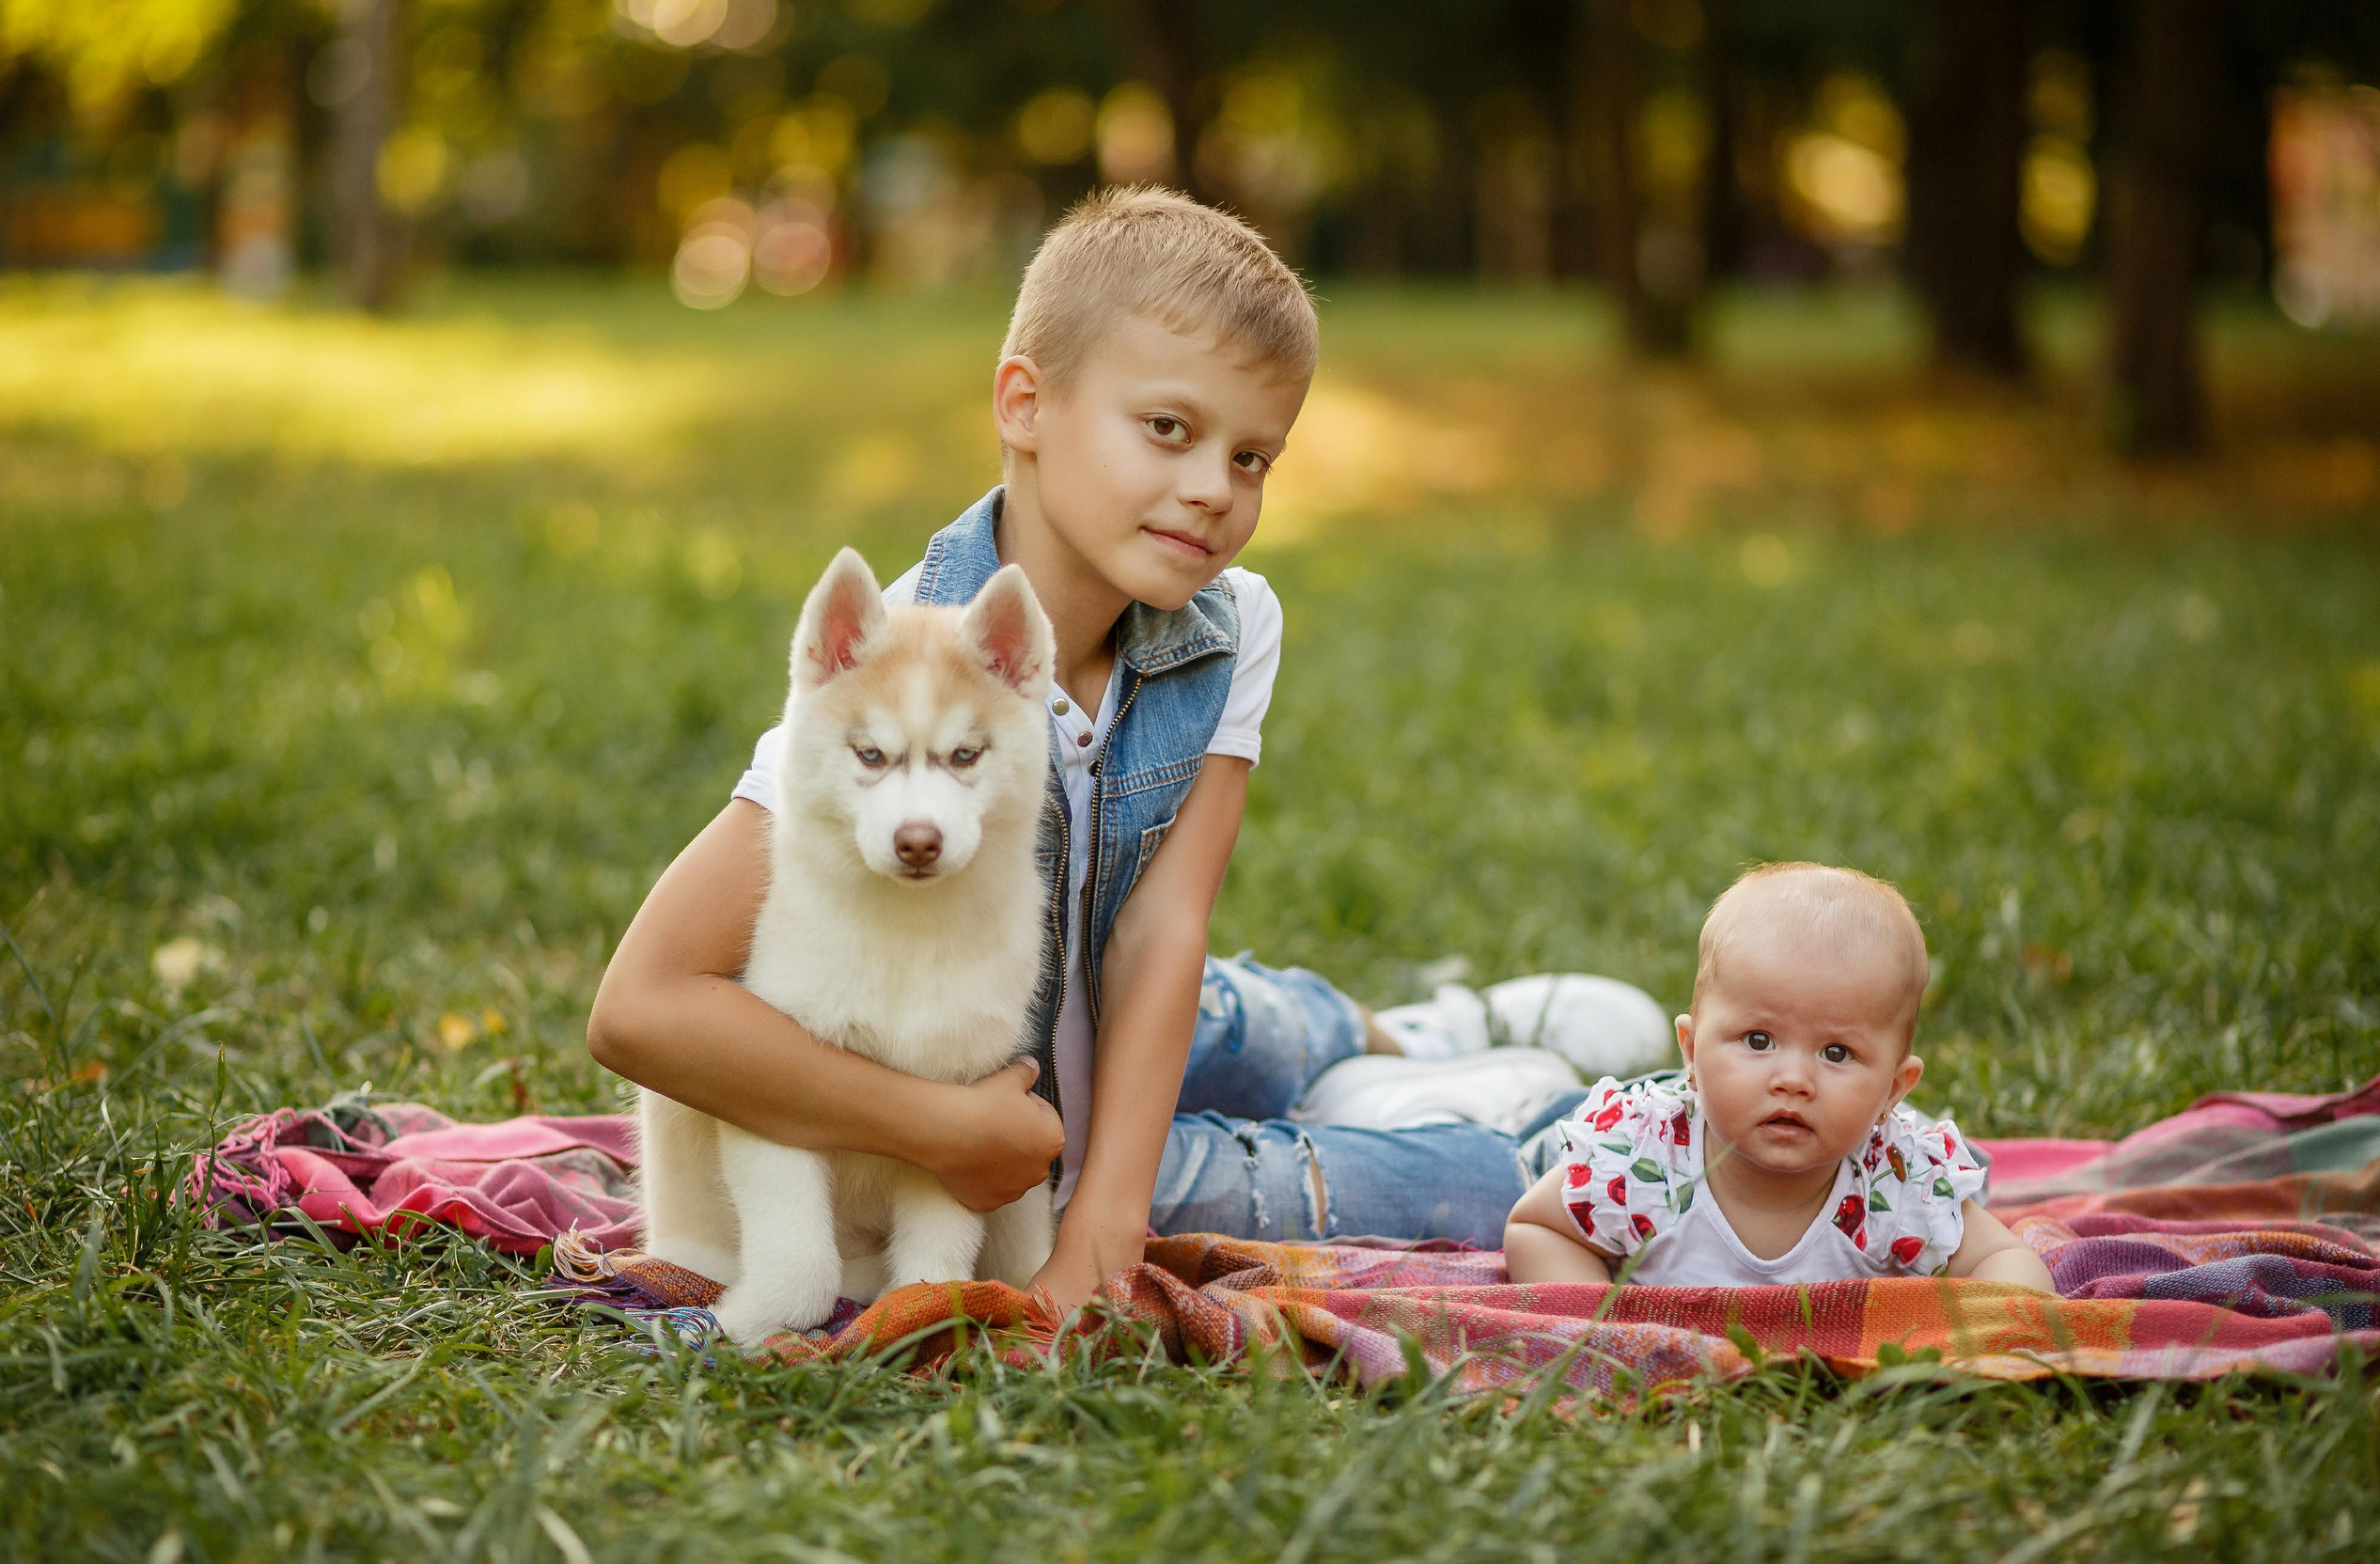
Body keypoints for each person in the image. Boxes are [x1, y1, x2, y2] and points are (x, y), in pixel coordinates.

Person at [588, 185, 1663, 1315]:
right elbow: (640, 1006)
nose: (1213, 489)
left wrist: (1110, 1227)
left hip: (1141, 999)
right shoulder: (899, 681)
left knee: (1231, 1021)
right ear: (1025, 404)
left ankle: (1408, 1033)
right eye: (1169, 429)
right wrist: (970, 1143)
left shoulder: (1229, 622)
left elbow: (1163, 924)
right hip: (1022, 1113)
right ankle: (1553, 1119)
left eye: (1253, 458)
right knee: (1438, 1183)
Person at [1503, 863, 2056, 1291]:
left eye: (1836, 1052)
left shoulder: (1894, 1183)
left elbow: (2004, 1259)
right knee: (1496, 1156)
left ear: (1893, 1088)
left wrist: (1999, 1335)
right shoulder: (1637, 1165)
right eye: (1759, 1041)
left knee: (1968, 1176)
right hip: (1594, 1127)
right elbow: (1538, 1226)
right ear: (1692, 1050)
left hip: (1841, 1125)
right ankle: (1508, 1077)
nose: (1793, 1079)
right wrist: (1600, 1329)